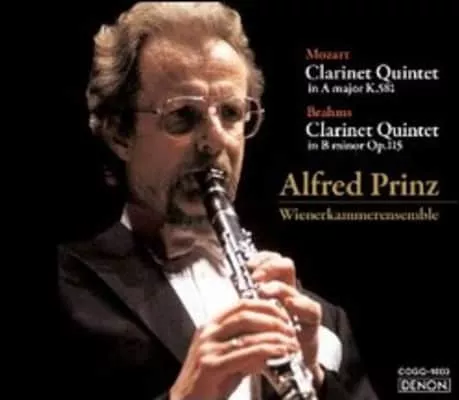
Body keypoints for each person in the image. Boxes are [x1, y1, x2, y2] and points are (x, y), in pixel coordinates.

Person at [58, 2, 379, 399]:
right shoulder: (68, 288)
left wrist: (314, 377)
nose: (215, 141)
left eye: (230, 113)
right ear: (119, 133)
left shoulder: (321, 318)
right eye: (183, 115)